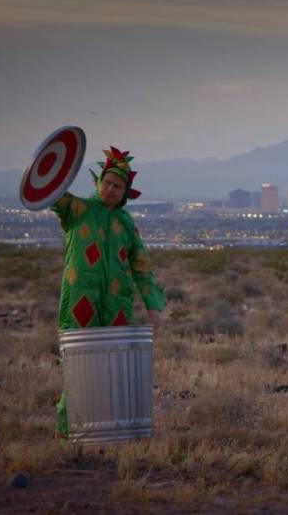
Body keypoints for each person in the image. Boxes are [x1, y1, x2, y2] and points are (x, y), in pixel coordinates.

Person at [51, 146, 165, 437]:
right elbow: (50, 191)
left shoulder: (126, 223)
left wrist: (153, 306)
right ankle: (68, 434)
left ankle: (108, 434)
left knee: (113, 366)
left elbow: (141, 266)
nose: (111, 189)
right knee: (77, 367)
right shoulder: (76, 209)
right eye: (107, 183)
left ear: (125, 192)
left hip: (116, 304)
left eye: (118, 186)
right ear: (97, 182)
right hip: (80, 300)